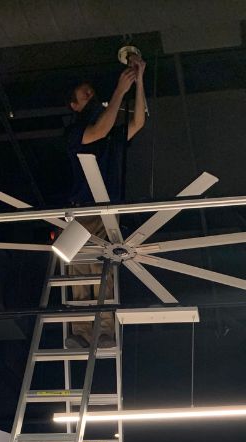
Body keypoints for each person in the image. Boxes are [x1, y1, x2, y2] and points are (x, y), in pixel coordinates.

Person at [64, 58, 147, 348]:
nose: (90, 96)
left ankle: (104, 331)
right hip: (83, 206)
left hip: (106, 206)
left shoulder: (110, 133)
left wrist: (139, 83)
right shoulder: (74, 133)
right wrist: (119, 92)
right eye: (83, 94)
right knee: (79, 270)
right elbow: (98, 131)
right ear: (73, 106)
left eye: (90, 92)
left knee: (100, 268)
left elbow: (137, 122)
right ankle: (82, 330)